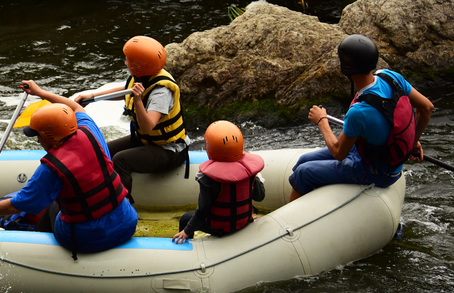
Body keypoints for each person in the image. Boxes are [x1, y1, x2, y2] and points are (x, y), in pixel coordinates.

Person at [0, 80, 138, 258]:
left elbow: (17, 206)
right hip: (127, 221)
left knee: (52, 206)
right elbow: (77, 108)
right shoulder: (88, 130)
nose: (38, 141)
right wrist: (41, 92)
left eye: (38, 136)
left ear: (50, 137)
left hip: (86, 238)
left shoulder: (51, 169)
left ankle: (39, 251)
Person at [289, 34, 433, 201]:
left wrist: (322, 121)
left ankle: (286, 223)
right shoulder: (391, 77)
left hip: (377, 171)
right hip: (372, 153)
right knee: (304, 160)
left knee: (303, 173)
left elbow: (338, 153)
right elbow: (427, 107)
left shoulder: (359, 112)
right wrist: (412, 142)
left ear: (346, 68)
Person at [76, 36, 188, 203]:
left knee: (120, 160)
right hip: (147, 142)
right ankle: (95, 193)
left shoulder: (161, 92)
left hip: (170, 151)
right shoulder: (145, 76)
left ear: (136, 66)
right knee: (102, 150)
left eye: (128, 60)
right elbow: (126, 90)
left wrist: (137, 100)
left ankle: (123, 205)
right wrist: (93, 97)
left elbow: (148, 126)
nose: (125, 63)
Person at [172, 121, 266, 244]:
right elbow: (260, 197)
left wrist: (187, 231)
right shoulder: (250, 171)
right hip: (244, 222)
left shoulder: (208, 178)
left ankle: (187, 248)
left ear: (209, 148)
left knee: (185, 219)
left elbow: (202, 211)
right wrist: (256, 177)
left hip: (220, 228)